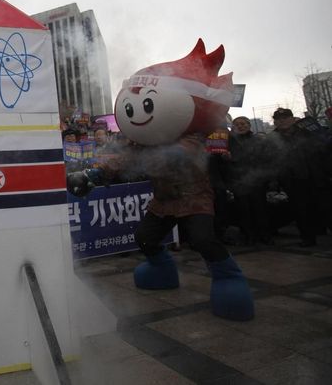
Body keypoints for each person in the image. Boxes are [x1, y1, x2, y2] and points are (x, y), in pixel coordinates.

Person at [68, 39, 254, 321]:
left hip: (194, 197)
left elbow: (176, 155)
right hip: (163, 201)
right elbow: (122, 159)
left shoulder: (190, 137)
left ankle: (229, 279)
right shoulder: (142, 143)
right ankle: (162, 269)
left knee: (203, 240)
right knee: (144, 238)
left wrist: (144, 154)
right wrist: (92, 174)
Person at [268, 108, 331, 246]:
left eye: (285, 118)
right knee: (301, 210)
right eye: (278, 119)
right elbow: (270, 160)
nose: (282, 121)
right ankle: (308, 238)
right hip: (292, 179)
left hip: (315, 176)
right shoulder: (272, 139)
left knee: (326, 207)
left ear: (292, 119)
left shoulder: (307, 132)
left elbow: (323, 150)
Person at [227, 116, 274, 245]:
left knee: (260, 209)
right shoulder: (228, 142)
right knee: (243, 210)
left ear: (249, 125)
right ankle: (248, 235)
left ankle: (265, 235)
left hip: (257, 180)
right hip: (239, 181)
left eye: (243, 124)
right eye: (237, 124)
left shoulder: (258, 140)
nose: (240, 126)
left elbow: (266, 159)